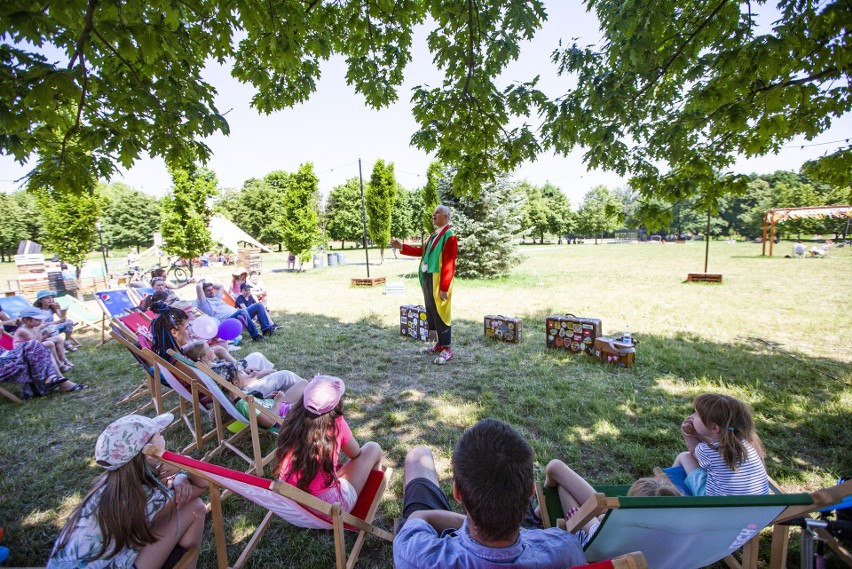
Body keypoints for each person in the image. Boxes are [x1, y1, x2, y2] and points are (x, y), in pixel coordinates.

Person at [394, 418, 586, 569]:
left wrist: (468, 520)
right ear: (531, 492)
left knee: (418, 456)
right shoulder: (564, 549)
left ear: (457, 493)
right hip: (526, 539)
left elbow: (419, 517)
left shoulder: (415, 555)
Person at [48, 413, 208, 569]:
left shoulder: (112, 484)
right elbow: (203, 484)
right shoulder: (145, 496)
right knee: (195, 507)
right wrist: (184, 463)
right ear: (148, 453)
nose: (163, 437)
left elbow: (167, 483)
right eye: (159, 434)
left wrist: (180, 478)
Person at [274, 376, 383, 513]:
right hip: (328, 510)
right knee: (373, 448)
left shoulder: (292, 419)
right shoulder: (336, 423)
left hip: (292, 505)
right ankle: (368, 499)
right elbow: (355, 453)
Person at [534, 460, 681, 542]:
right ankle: (541, 511)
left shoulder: (609, 533)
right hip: (620, 534)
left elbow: (588, 520)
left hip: (589, 538)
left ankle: (542, 510)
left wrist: (602, 518)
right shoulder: (679, 540)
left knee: (558, 474)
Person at [183, 341, 307, 428]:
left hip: (272, 404)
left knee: (303, 383)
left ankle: (309, 392)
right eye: (209, 349)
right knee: (288, 376)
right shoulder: (245, 402)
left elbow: (236, 385)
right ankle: (312, 394)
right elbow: (269, 422)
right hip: (279, 411)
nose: (212, 348)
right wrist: (257, 378)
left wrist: (268, 397)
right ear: (203, 357)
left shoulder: (216, 372)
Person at [391, 205, 458, 365]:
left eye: (438, 213)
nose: (434, 215)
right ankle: (439, 344)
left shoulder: (449, 236)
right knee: (432, 310)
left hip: (439, 280)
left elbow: (449, 263)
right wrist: (402, 247)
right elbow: (422, 251)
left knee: (442, 312)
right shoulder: (433, 235)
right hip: (428, 277)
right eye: (433, 213)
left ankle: (447, 348)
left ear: (446, 217)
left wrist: (444, 287)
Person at [672, 393, 769, 496]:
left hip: (717, 507)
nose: (692, 416)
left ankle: (663, 486)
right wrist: (699, 436)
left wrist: (686, 433)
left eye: (697, 414)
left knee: (684, 456)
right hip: (757, 508)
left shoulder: (705, 451)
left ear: (714, 428)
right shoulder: (749, 444)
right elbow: (715, 446)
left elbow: (692, 450)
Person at [195, 279, 277, 342]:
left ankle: (266, 330)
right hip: (226, 321)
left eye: (212, 289)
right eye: (208, 290)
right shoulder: (203, 302)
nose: (211, 291)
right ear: (203, 292)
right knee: (242, 311)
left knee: (258, 305)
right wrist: (201, 283)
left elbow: (220, 286)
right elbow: (198, 287)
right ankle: (256, 336)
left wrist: (208, 284)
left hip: (238, 315)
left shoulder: (216, 298)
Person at [1, 339, 87, 398]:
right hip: (4, 363)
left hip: (6, 355)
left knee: (42, 345)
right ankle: (56, 380)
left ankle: (56, 379)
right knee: (33, 344)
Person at [14, 307, 74, 373]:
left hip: (32, 346)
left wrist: (58, 322)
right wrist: (40, 330)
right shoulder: (23, 330)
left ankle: (64, 359)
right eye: (38, 320)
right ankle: (60, 365)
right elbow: (36, 342)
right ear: (26, 320)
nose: (41, 322)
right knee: (49, 344)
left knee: (58, 338)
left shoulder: (33, 326)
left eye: (41, 320)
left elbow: (46, 325)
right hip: (23, 351)